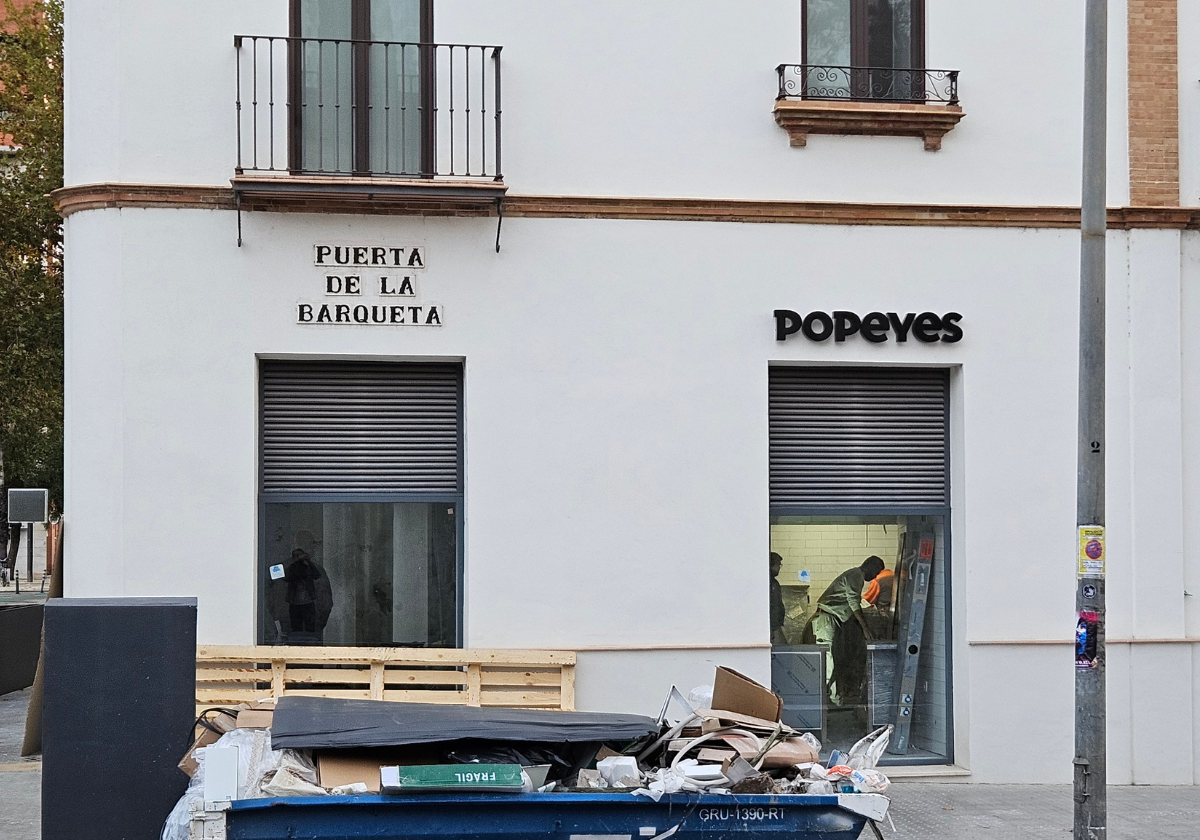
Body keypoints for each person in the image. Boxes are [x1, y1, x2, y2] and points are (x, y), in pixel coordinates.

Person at [812, 555, 886, 704]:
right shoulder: (856, 575)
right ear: (870, 566)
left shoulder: (854, 575)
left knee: (836, 659)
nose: (875, 577)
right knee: (830, 661)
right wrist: (865, 628)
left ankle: (834, 699)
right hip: (827, 619)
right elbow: (853, 603)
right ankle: (823, 701)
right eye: (876, 572)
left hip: (833, 619)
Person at [769, 552, 787, 645]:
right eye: (778, 564)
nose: (779, 567)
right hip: (774, 626)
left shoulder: (771, 582)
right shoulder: (772, 584)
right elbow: (775, 606)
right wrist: (776, 627)